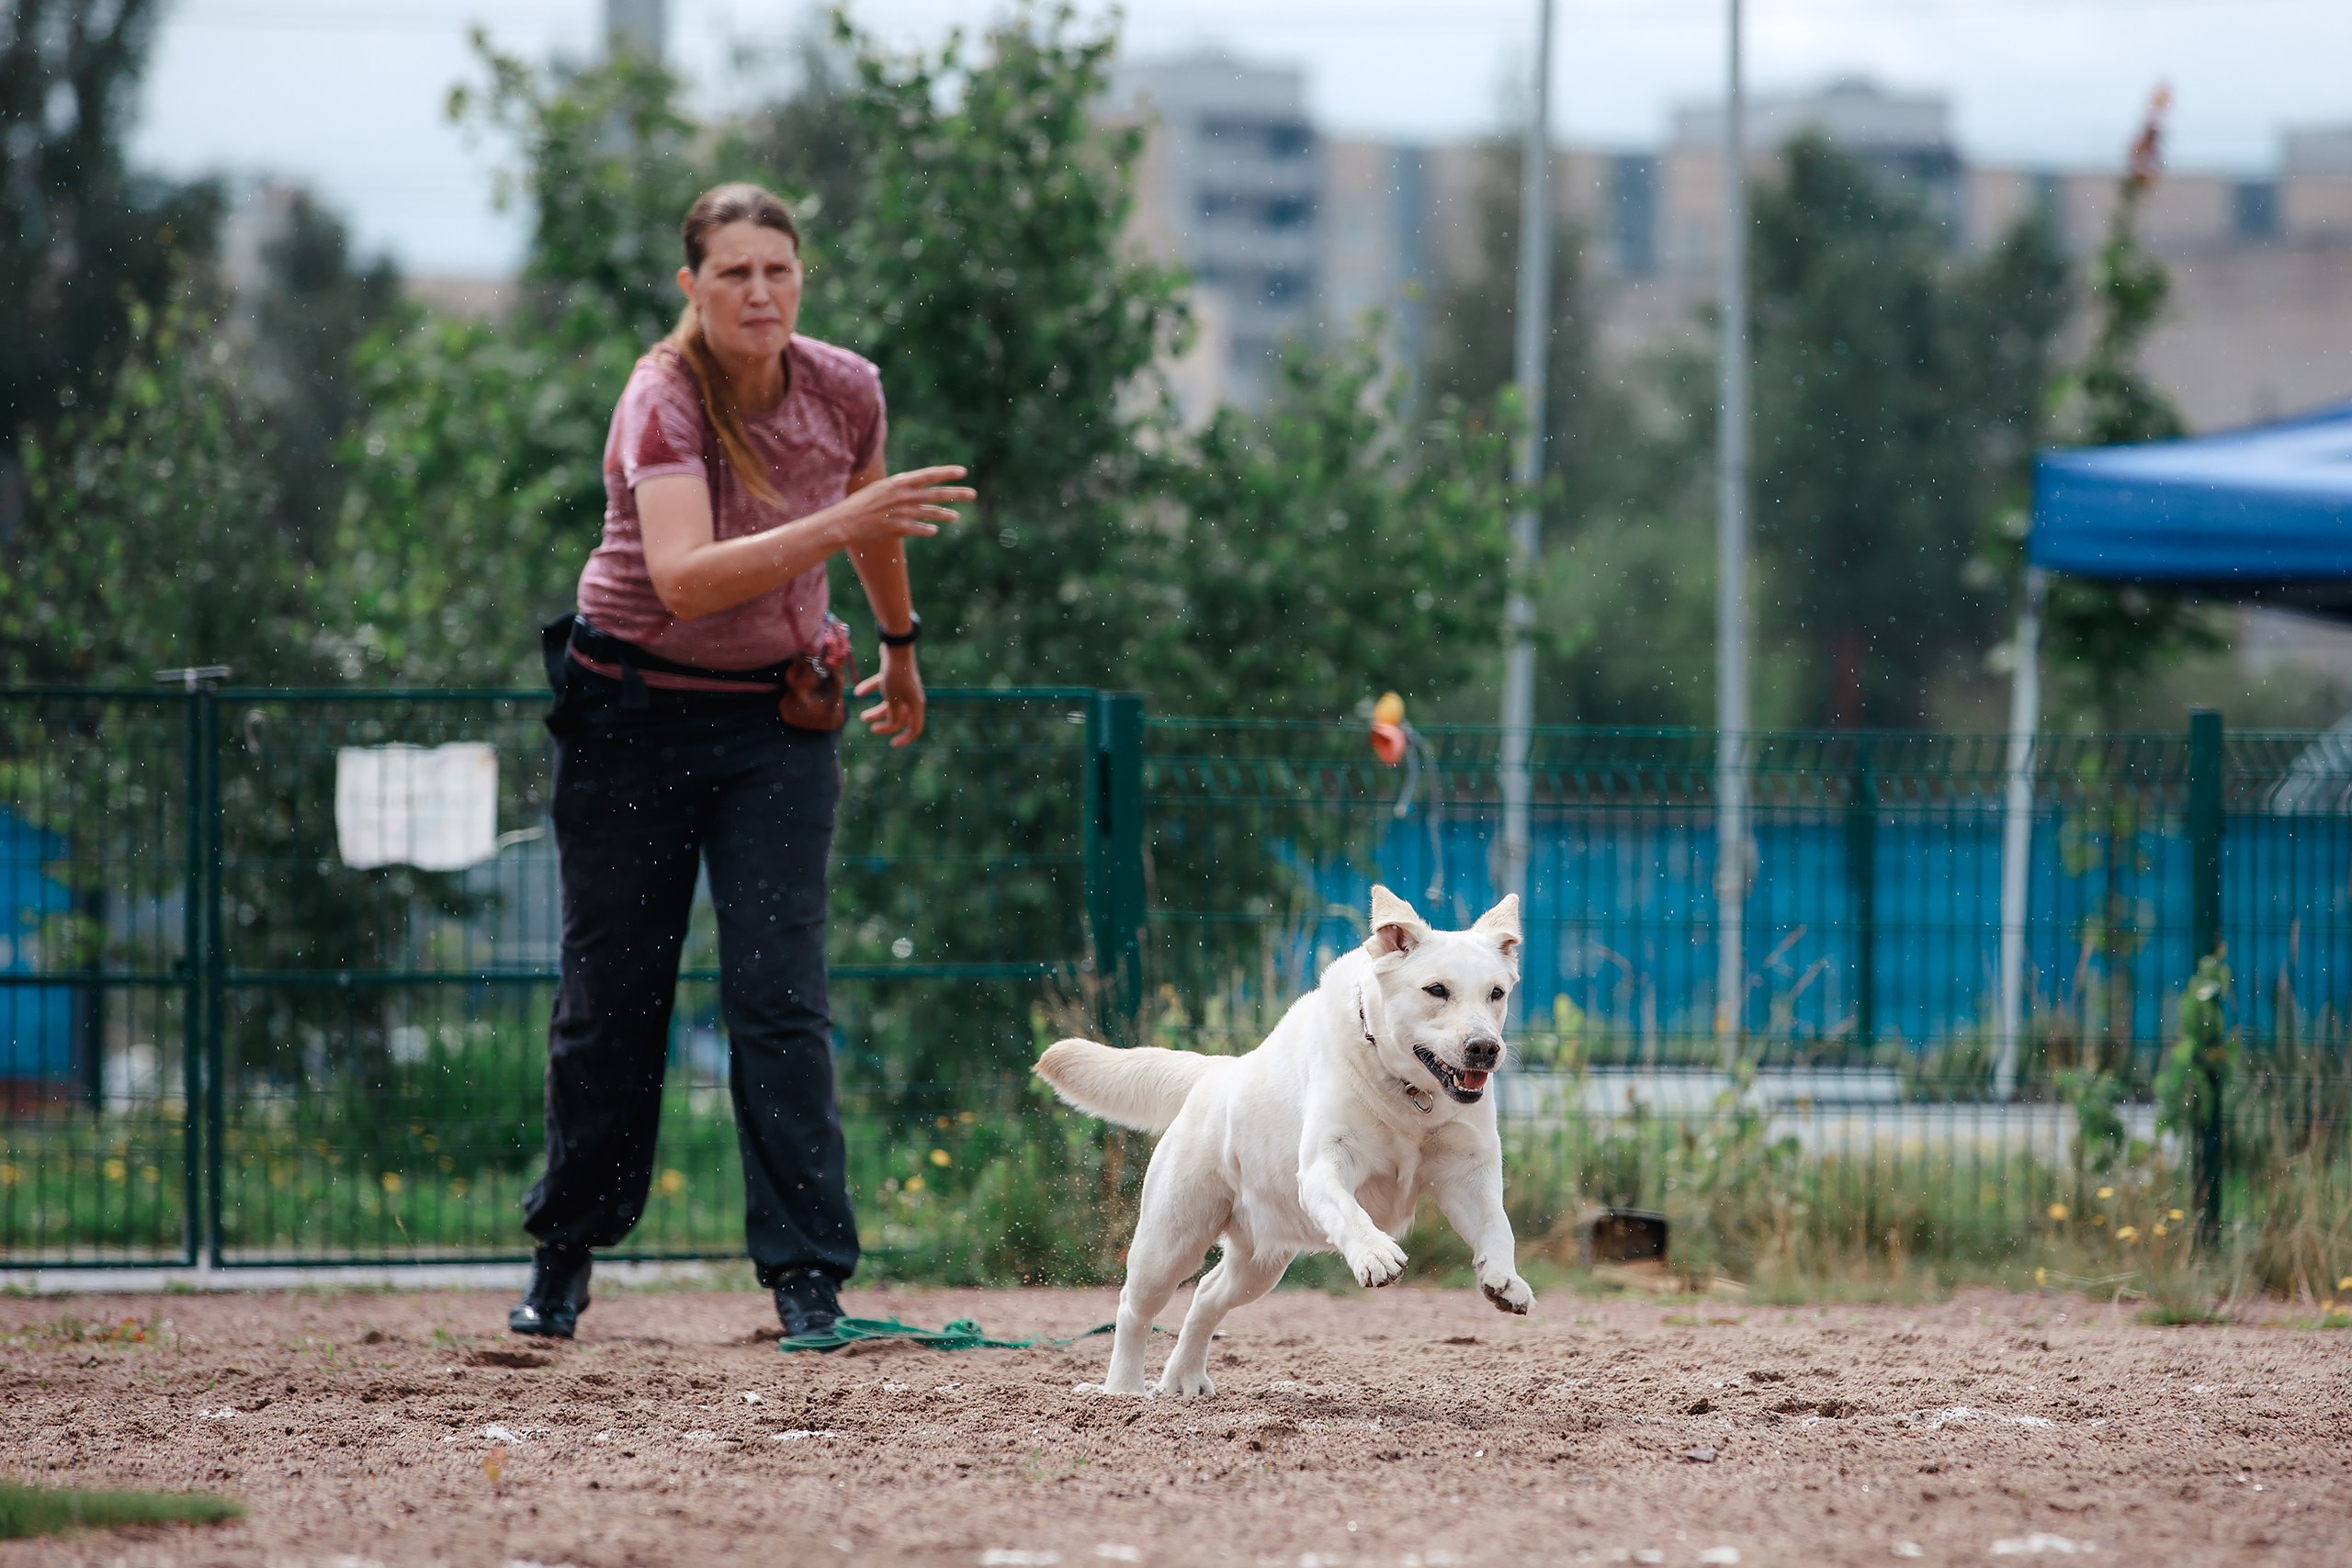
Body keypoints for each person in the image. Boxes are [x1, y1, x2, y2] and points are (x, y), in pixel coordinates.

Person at [508, 183, 972, 1339]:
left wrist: (901, 649)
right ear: (692, 289)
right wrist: (839, 522)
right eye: (733, 274)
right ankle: (565, 1251)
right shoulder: (660, 396)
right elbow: (686, 577)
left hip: (775, 724)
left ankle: (808, 1276)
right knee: (614, 996)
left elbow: (871, 533)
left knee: (779, 995)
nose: (759, 292)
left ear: (800, 278)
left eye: (779, 270)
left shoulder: (845, 387)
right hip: (628, 713)